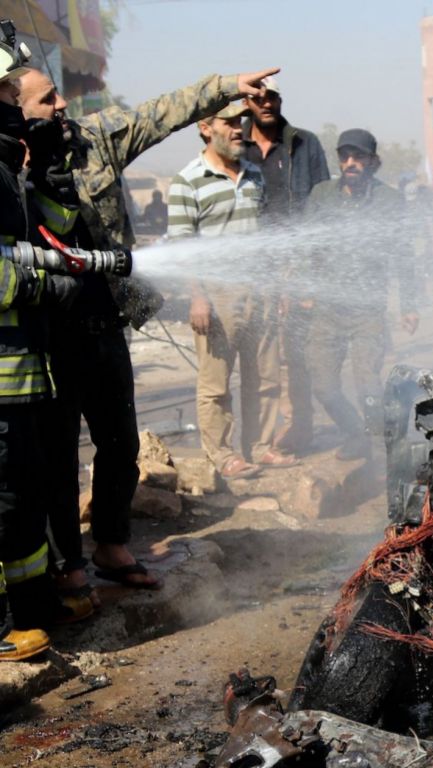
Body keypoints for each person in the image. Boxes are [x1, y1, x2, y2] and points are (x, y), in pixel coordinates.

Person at [19, 63, 280, 594]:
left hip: (104, 322)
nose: (62, 106)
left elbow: (166, 111)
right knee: (57, 451)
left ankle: (113, 545)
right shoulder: (10, 162)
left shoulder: (95, 141)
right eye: (47, 100)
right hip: (45, 335)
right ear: (15, 106)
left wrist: (229, 87)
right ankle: (69, 562)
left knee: (119, 442)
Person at [0, 33, 87, 658]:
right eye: (10, 90)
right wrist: (39, 285)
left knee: (29, 495)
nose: (18, 100)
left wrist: (52, 177)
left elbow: (51, 232)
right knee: (4, 500)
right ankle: (4, 624)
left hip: (28, 373)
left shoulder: (9, 166)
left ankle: (32, 608)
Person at [168, 103, 295, 478]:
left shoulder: (254, 174)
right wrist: (198, 296)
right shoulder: (187, 181)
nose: (239, 130)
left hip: (259, 292)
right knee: (215, 385)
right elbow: (182, 246)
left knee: (267, 377)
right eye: (229, 124)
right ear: (206, 129)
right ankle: (223, 456)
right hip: (216, 296)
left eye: (241, 123)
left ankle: (260, 446)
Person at [302, 128, 418, 460]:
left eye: (358, 157)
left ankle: (385, 446)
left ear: (372, 161)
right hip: (326, 309)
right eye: (344, 156)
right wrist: (302, 288)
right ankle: (355, 432)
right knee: (323, 386)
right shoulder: (322, 195)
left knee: (367, 383)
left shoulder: (390, 201)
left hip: (368, 310)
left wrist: (408, 306)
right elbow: (304, 245)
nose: (350, 163)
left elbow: (404, 256)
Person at [242, 75, 329, 455]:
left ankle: (297, 428)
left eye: (272, 96)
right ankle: (258, 435)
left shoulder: (304, 143)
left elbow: (322, 202)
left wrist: (308, 266)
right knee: (259, 354)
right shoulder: (236, 144)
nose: (266, 102)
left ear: (280, 100)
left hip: (299, 263)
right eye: (258, 96)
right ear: (247, 102)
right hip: (253, 265)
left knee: (296, 351)